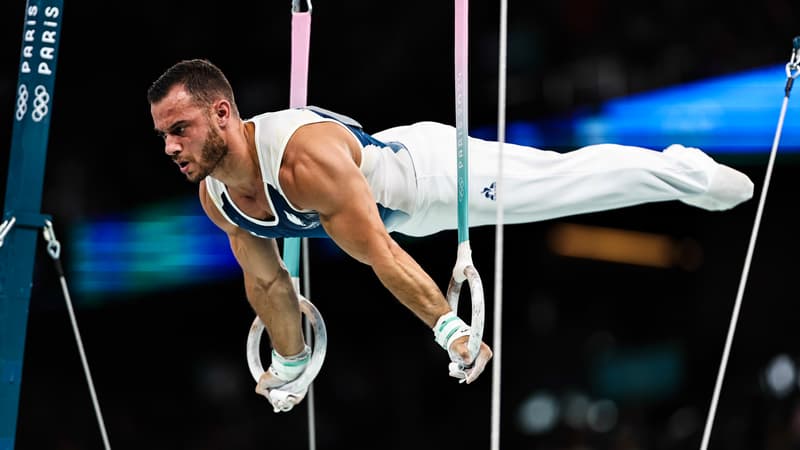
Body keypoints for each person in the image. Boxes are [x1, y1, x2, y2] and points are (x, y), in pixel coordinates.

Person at [147, 58, 754, 409]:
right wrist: (290, 362)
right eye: (163, 136)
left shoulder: (302, 161)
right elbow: (269, 284)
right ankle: (676, 171)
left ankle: (682, 170)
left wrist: (450, 330)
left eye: (181, 127)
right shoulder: (217, 197)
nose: (172, 147)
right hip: (393, 214)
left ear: (222, 112)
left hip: (433, 175)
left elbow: (380, 254)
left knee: (567, 184)